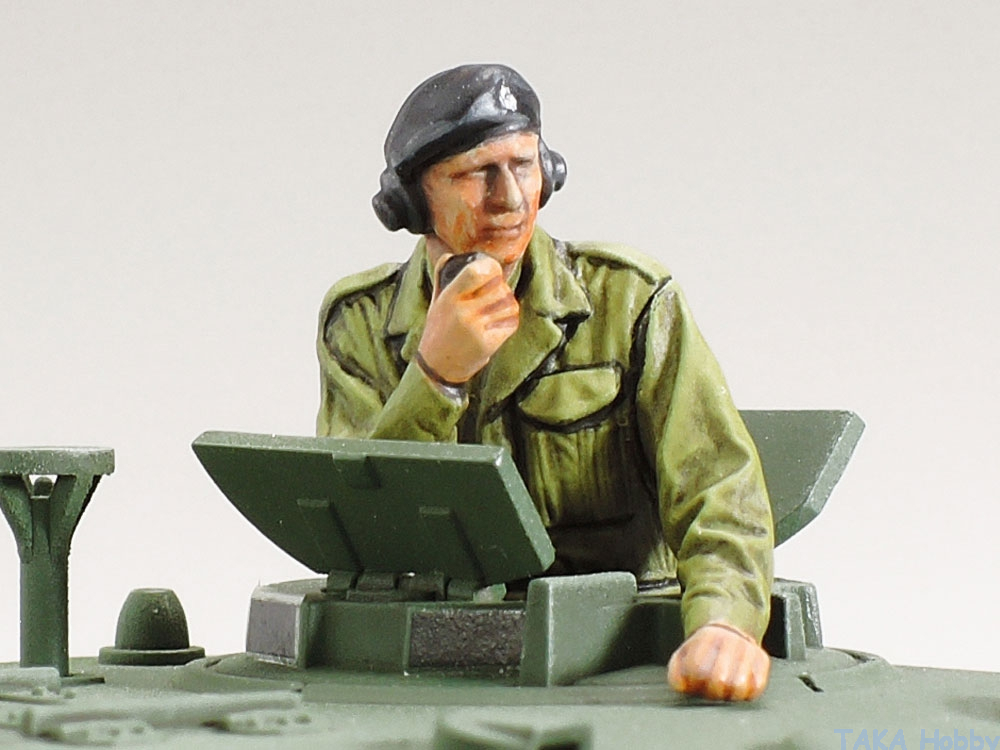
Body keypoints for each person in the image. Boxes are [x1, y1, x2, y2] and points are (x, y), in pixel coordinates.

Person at [316, 64, 774, 701]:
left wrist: (725, 622)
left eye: (524, 165)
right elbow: (361, 523)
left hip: (616, 648)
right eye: (475, 173)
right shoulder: (361, 323)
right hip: (431, 652)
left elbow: (717, 483)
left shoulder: (627, 301)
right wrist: (434, 378)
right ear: (413, 200)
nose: (509, 197)